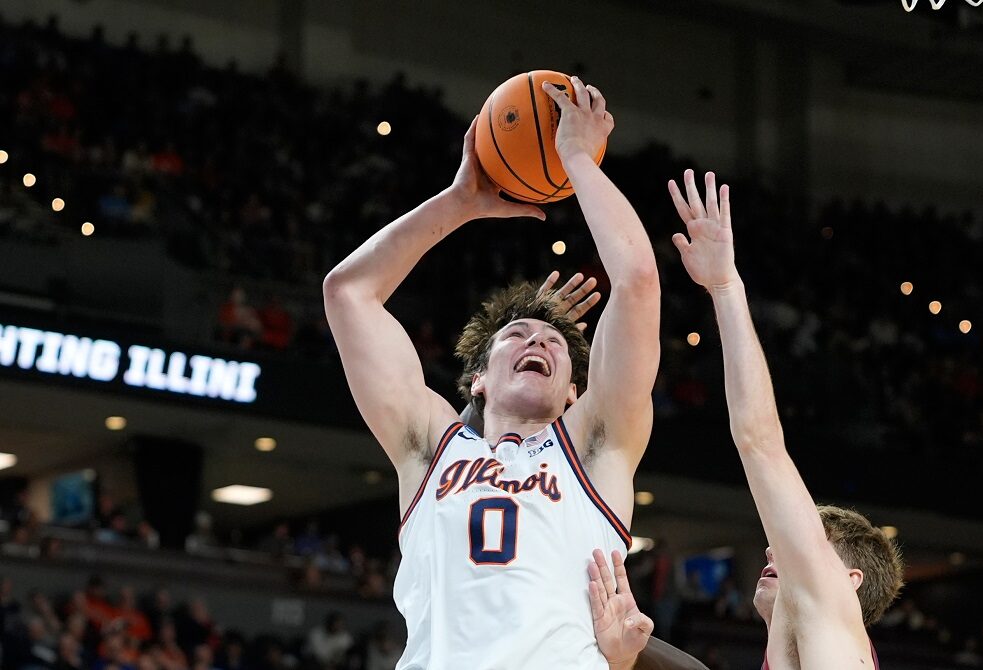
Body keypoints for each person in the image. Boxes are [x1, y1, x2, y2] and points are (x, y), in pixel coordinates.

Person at [323, 76, 659, 669]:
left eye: (554, 341)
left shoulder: (594, 446)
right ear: (477, 378)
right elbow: (348, 293)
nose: (537, 341)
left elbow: (635, 283)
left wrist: (577, 158)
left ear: (574, 391)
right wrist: (458, 204)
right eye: (517, 336)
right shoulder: (432, 449)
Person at [667, 169, 904, 669]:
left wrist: (726, 288)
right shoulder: (809, 651)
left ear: (847, 582)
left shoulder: (835, 626)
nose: (776, 548)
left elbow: (759, 442)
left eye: (810, 545)